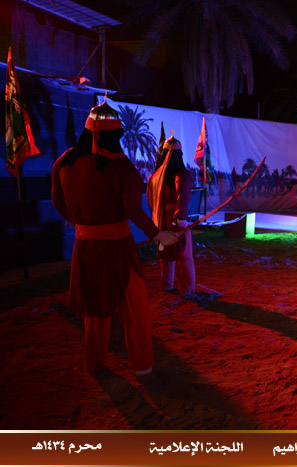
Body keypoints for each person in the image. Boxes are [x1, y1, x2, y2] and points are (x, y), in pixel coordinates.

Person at [51, 101, 177, 376]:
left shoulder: (64, 162)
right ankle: (141, 365)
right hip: (118, 247)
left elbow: (56, 197)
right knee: (134, 304)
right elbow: (132, 210)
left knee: (95, 308)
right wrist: (157, 234)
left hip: (85, 246)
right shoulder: (122, 168)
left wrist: (75, 217)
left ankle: (95, 363)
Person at [147, 136, 196, 295]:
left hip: (162, 221)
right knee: (184, 255)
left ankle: (167, 285)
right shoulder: (182, 175)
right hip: (178, 221)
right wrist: (180, 218)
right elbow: (183, 197)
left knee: (166, 255)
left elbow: (150, 200)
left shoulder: (155, 176)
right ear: (179, 155)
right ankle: (187, 290)